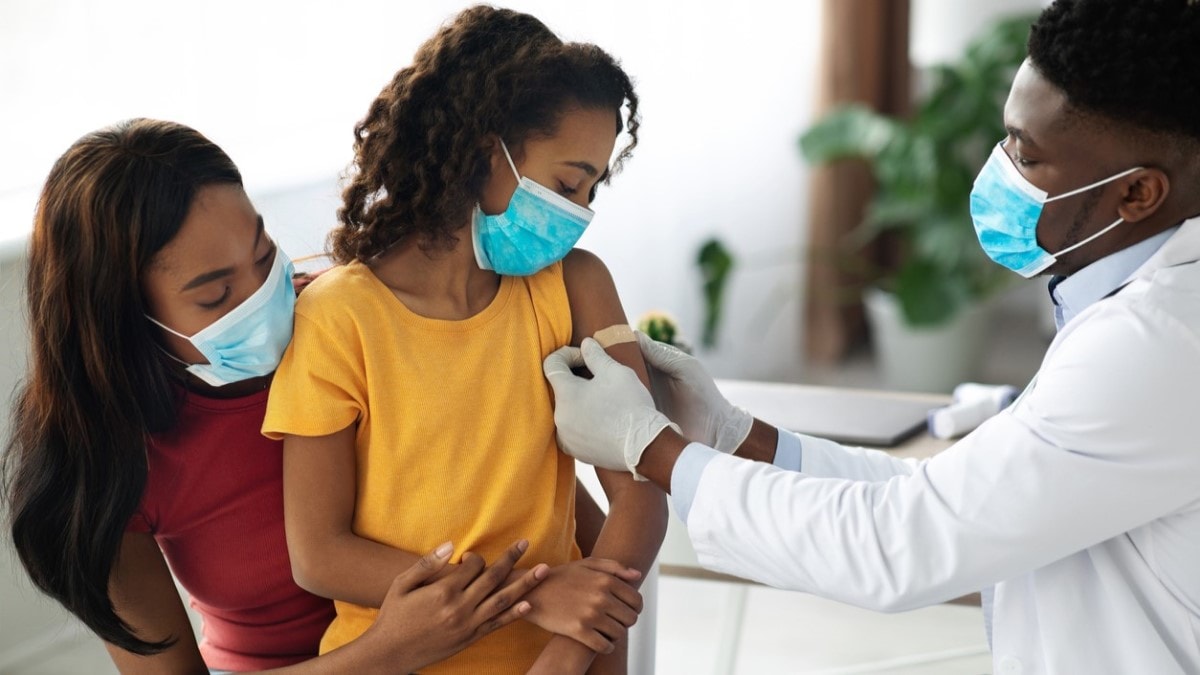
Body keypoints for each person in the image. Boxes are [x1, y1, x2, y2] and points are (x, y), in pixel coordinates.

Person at [543, 0, 1200, 672]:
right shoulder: (1140, 306)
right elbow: (941, 497)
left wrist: (650, 448)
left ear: (1138, 194)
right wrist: (735, 435)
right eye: (1007, 138)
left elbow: (901, 541)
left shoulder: (1157, 345)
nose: (999, 169)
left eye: (1027, 157)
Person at [1, 117, 553, 674]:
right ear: (123, 321)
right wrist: (388, 651)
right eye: (216, 295)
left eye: (265, 258)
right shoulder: (104, 472)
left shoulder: (355, 320)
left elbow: (525, 467)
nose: (267, 296)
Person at [262, 7, 665, 675]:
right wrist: (533, 599)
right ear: (483, 151)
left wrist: (567, 652)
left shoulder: (574, 285)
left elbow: (642, 482)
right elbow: (320, 554)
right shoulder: (340, 317)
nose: (581, 211)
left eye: (594, 187)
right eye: (568, 184)